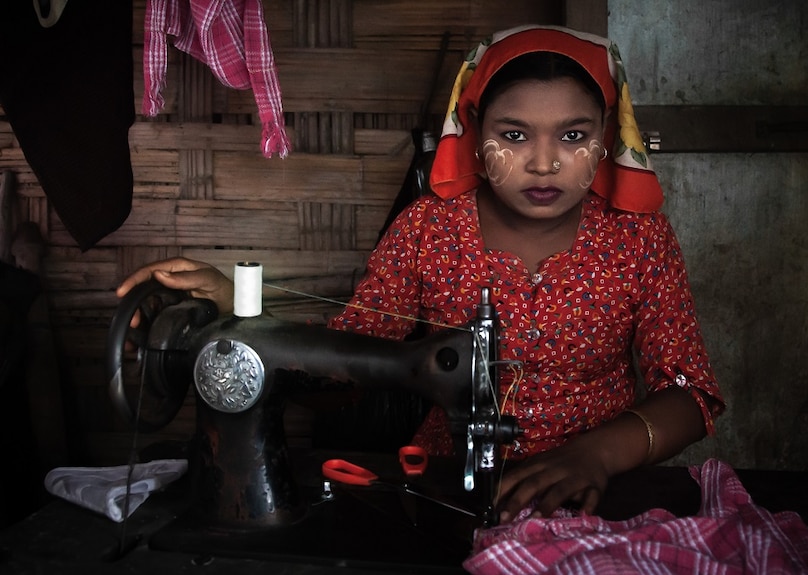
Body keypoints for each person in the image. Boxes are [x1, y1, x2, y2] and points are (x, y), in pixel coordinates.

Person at [117, 25, 725, 524]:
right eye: (513, 135)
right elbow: (355, 350)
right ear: (475, 128)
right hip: (445, 486)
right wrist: (235, 300)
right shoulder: (429, 229)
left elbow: (692, 392)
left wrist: (594, 454)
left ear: (606, 136)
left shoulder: (637, 237)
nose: (544, 162)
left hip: (605, 491)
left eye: (573, 135)